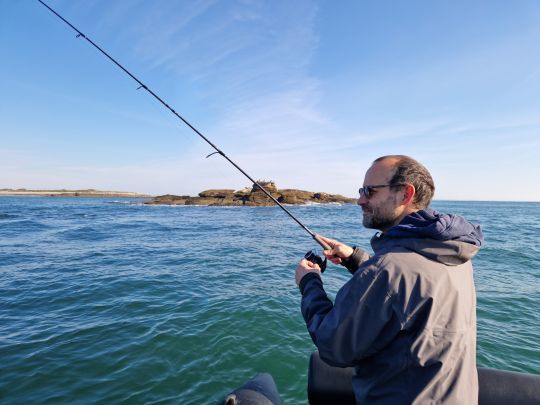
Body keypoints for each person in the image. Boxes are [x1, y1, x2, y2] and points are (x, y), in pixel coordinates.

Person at [295, 155, 484, 404]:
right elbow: (407, 289)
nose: (360, 199)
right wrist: (356, 259)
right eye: (361, 190)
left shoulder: (388, 269)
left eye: (370, 191)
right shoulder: (452, 250)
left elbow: (333, 345)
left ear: (405, 194)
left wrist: (309, 282)